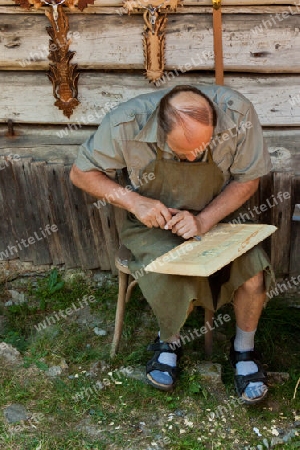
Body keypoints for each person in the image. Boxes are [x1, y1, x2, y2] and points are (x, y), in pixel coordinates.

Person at [70, 84, 275, 404]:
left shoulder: (238, 114)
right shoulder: (126, 123)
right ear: (160, 131)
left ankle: (243, 350)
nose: (193, 157)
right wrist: (135, 202)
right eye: (183, 153)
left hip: (217, 216)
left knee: (253, 274)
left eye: (202, 148)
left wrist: (204, 221)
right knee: (173, 271)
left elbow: (249, 178)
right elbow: (82, 173)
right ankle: (169, 342)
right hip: (155, 221)